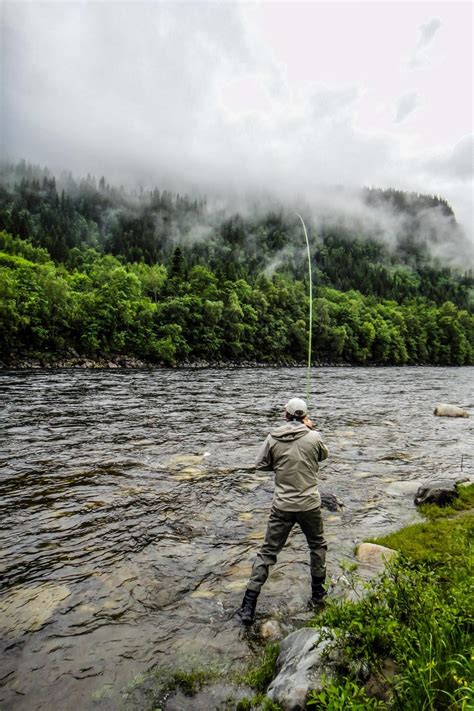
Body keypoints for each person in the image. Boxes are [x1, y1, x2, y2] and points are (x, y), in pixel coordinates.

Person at [238, 397, 329, 626]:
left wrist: (278, 465)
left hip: (282, 506)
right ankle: (318, 595)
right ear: (305, 416)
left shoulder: (272, 438)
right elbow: (323, 456)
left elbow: (260, 465)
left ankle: (248, 605)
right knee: (317, 546)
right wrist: (310, 430)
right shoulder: (314, 436)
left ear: (285, 415)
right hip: (309, 505)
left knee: (267, 553)